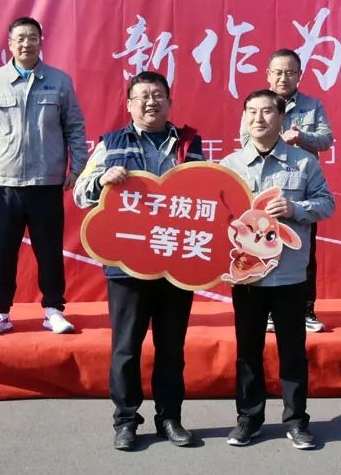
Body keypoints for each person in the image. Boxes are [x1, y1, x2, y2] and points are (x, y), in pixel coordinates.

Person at [74, 71, 203, 451]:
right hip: (126, 264)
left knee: (171, 348)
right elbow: (80, 193)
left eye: (158, 95)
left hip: (176, 262)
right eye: (143, 96)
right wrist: (102, 181)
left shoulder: (190, 144)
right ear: (129, 104)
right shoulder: (110, 144)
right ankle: (126, 421)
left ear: (170, 102)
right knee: (126, 348)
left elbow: (208, 200)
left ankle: (170, 418)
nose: (151, 102)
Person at [221, 89, 335, 450]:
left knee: (293, 351)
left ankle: (296, 420)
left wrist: (296, 209)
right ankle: (249, 418)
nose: (259, 118)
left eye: (267, 111)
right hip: (247, 276)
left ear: (282, 118)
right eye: (252, 112)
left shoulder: (304, 163)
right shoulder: (229, 165)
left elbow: (327, 203)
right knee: (248, 351)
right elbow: (215, 216)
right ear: (244, 118)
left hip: (289, 275)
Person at [0, 17, 87, 337]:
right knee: (2, 253)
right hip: (6, 184)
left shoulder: (59, 81)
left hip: (46, 182)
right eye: (20, 38)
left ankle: (54, 311)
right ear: (9, 43)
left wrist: (77, 168)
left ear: (40, 41)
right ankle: (0, 313)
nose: (26, 43)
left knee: (49, 252)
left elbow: (75, 127)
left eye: (32, 37)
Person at [241, 49, 333, 333]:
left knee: (303, 250)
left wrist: (301, 137)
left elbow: (326, 139)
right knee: (257, 245)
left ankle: (306, 309)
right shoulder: (258, 104)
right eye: (278, 72)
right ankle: (266, 311)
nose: (284, 78)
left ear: (299, 75)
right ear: (268, 75)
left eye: (290, 72)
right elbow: (245, 139)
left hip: (297, 188)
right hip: (260, 189)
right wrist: (274, 137)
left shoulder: (312, 105)